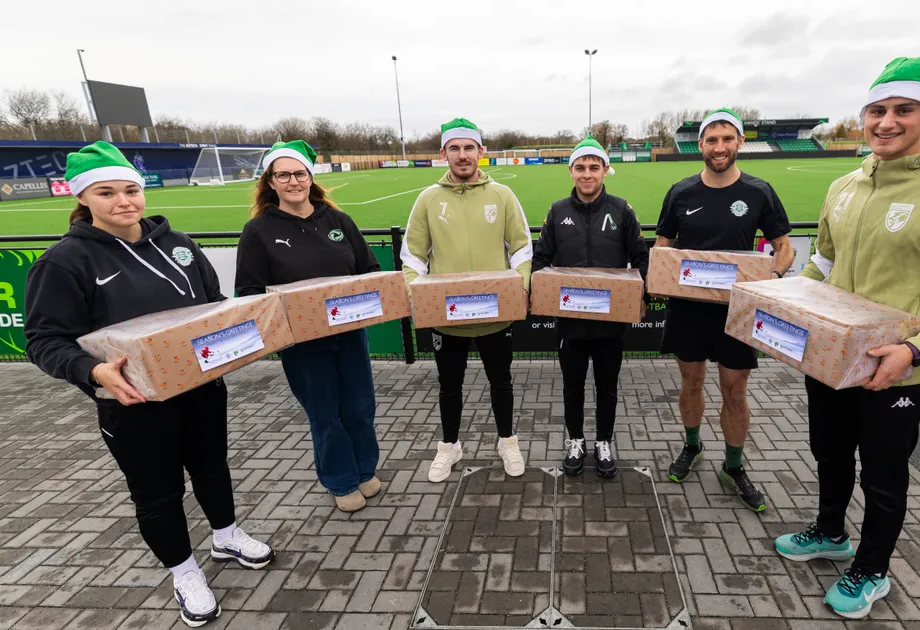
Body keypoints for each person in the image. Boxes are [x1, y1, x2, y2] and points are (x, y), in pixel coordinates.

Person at [773, 57, 920, 619]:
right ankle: (831, 531)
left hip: (896, 368)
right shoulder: (844, 186)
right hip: (833, 361)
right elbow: (823, 264)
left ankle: (872, 569)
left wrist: (914, 349)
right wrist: (787, 308)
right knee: (828, 453)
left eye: (902, 110)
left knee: (884, 474)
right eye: (877, 110)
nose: (886, 122)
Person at [24, 141, 273, 628]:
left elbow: (212, 303)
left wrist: (232, 333)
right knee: (158, 494)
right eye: (107, 192)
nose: (124, 201)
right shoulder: (64, 261)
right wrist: (93, 371)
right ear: (83, 199)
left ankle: (225, 535)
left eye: (131, 189)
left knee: (212, 468)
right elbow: (44, 340)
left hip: (200, 389)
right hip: (133, 404)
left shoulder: (177, 242)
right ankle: (183, 571)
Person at [656, 108, 794, 512]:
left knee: (735, 391)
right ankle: (692, 445)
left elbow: (782, 247)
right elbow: (663, 246)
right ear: (700, 145)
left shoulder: (759, 191)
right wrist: (664, 274)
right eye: (711, 140)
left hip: (737, 311)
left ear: (740, 143)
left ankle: (733, 466)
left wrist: (771, 275)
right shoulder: (680, 192)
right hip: (689, 310)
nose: (719, 147)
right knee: (692, 383)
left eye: (727, 139)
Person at [235, 140, 382, 513]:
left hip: (349, 334)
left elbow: (370, 271)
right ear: (270, 182)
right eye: (282, 175)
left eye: (299, 173)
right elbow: (249, 292)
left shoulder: (338, 220)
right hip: (302, 344)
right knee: (324, 413)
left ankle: (365, 470)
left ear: (310, 177)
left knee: (360, 406)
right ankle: (340, 480)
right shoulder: (258, 231)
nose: (292, 181)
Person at [401, 118, 532, 482]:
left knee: (501, 381)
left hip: (495, 314)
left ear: (481, 152)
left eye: (469, 148)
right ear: (443, 153)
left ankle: (507, 440)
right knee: (449, 385)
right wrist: (417, 291)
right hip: (448, 316)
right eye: (455, 148)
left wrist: (519, 285)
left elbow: (521, 247)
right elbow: (412, 257)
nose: (462, 155)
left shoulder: (503, 196)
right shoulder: (428, 199)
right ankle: (450, 446)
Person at [531, 136, 648, 477]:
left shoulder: (623, 210)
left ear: (604, 170)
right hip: (570, 323)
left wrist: (641, 296)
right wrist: (544, 292)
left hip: (610, 323)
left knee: (607, 385)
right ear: (571, 171)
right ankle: (576, 440)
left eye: (593, 167)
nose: (587, 174)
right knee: (572, 385)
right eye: (580, 167)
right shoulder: (557, 212)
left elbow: (641, 257)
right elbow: (541, 261)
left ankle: (604, 441)